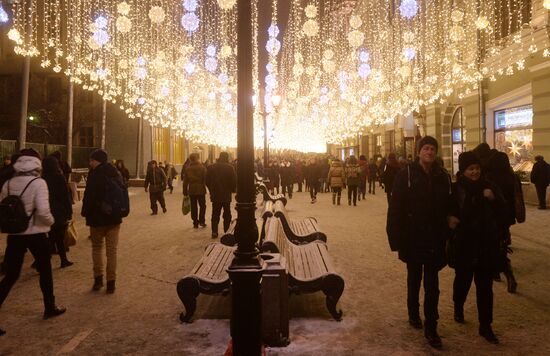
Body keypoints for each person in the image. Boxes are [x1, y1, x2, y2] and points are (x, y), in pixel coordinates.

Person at [386, 136, 451, 349]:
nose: (430, 152)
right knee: (414, 278)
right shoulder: (405, 175)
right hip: (412, 237)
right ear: (419, 151)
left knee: (433, 285)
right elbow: (395, 207)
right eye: (426, 148)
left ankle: (431, 327)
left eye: (433, 149)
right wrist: (395, 238)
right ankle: (413, 313)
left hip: (434, 237)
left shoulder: (443, 176)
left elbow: (450, 204)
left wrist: (451, 222)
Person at [0, 149, 66, 336]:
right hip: (36, 233)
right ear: (38, 164)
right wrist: (52, 223)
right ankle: (49, 306)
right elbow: (44, 212)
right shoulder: (38, 183)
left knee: (11, 275)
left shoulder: (9, 183)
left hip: (15, 234)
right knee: (45, 270)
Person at [447, 151, 505, 344]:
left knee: (485, 288)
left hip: (485, 245)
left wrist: (493, 199)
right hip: (464, 244)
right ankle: (458, 305)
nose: (475, 172)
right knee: (462, 282)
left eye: (477, 168)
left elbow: (504, 213)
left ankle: (485, 325)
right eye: (471, 169)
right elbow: (448, 211)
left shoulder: (489, 187)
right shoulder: (456, 190)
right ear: (463, 171)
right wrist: (450, 220)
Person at [82, 149, 127, 294]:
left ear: (97, 161)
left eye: (92, 160)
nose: (90, 163)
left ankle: (98, 280)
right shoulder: (116, 173)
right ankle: (111, 283)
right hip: (114, 218)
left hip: (97, 219)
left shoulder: (94, 175)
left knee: (96, 249)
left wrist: (86, 213)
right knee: (111, 252)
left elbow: (89, 197)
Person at [42, 156, 73, 268]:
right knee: (58, 237)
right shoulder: (59, 177)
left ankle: (63, 260)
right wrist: (69, 211)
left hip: (47, 210)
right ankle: (61, 260)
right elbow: (65, 196)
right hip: (59, 211)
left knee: (52, 236)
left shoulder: (42, 178)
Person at [206, 152, 236, 238]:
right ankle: (226, 230)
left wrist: (211, 189)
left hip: (215, 194)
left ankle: (214, 231)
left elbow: (207, 181)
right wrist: (232, 189)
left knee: (215, 213)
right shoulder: (230, 168)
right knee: (227, 213)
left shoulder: (211, 167)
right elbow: (234, 181)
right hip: (226, 194)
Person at [182, 153, 207, 228]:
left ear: (190, 159)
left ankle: (195, 222)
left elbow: (185, 182)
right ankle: (202, 221)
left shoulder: (188, 169)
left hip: (192, 189)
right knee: (202, 206)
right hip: (201, 189)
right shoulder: (202, 168)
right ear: (198, 158)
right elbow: (206, 179)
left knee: (193, 206)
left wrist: (185, 192)